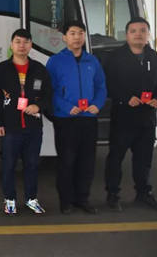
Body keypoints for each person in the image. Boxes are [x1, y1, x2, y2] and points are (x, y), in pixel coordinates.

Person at [103, 17, 157, 211]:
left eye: (143, 31)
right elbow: (107, 83)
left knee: (144, 160)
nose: (138, 34)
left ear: (148, 35)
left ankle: (144, 193)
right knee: (115, 158)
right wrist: (125, 98)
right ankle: (113, 195)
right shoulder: (115, 57)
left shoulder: (154, 57)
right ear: (126, 35)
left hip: (147, 118)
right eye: (133, 31)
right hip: (123, 117)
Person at [46, 20, 106, 214]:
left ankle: (83, 199)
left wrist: (97, 104)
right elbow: (50, 90)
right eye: (72, 33)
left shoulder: (92, 61)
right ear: (64, 37)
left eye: (80, 33)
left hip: (88, 118)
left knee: (87, 162)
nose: (77, 37)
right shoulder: (55, 61)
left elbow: (101, 86)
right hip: (66, 118)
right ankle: (66, 201)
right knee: (66, 161)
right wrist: (66, 107)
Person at [0, 28, 52, 215]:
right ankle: (9, 200)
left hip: (33, 127)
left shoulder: (39, 69)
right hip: (11, 127)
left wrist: (38, 106)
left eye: (26, 42)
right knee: (8, 165)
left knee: (32, 165)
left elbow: (49, 96)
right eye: (18, 42)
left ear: (31, 45)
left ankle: (31, 199)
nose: (22, 46)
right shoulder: (2, 69)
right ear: (11, 45)